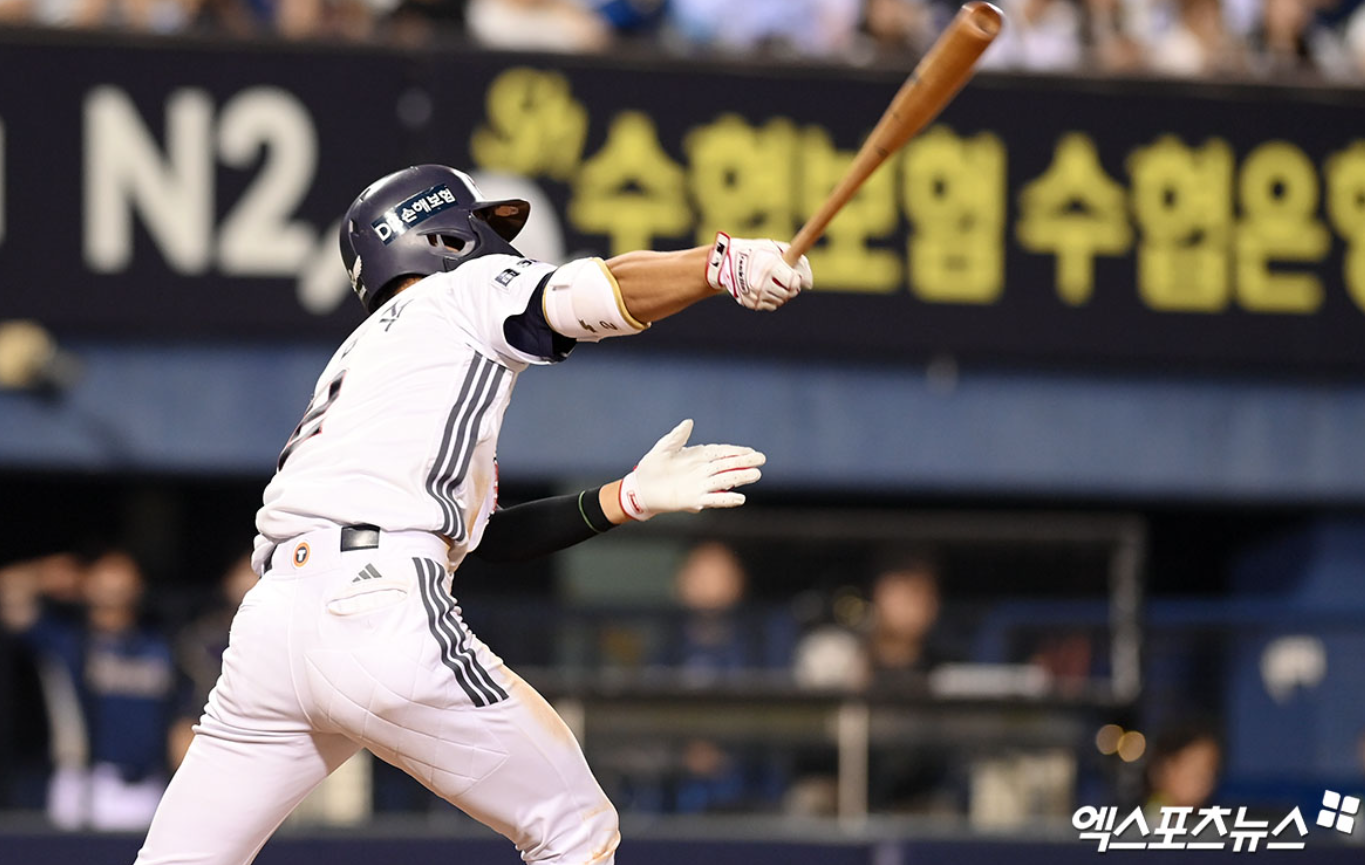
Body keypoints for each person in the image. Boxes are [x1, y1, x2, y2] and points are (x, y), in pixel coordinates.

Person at [134, 164, 811, 864]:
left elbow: (487, 539)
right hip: (373, 603)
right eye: (483, 224)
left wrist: (625, 497)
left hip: (270, 628)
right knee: (574, 826)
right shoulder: (462, 290)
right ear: (441, 237)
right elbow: (597, 290)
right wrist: (720, 265)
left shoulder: (365, 359)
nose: (498, 240)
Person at [0, 550, 180, 830]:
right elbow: (8, 592)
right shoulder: (66, 640)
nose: (115, 584)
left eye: (123, 575)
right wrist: (43, 573)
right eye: (105, 576)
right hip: (83, 779)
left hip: (148, 783)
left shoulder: (158, 644)